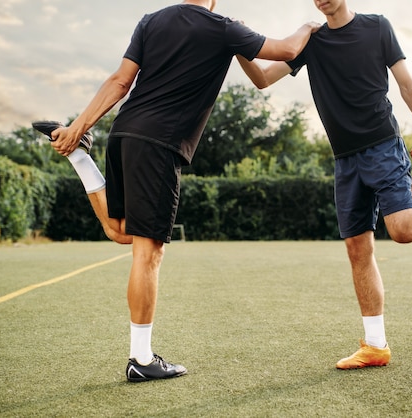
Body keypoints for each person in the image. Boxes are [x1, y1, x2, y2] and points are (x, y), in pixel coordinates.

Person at [35, 0, 320, 382]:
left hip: (123, 135)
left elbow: (121, 82)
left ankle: (81, 160)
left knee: (120, 232)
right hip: (159, 144)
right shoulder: (221, 26)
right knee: (149, 253)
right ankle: (141, 359)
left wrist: (77, 127)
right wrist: (309, 27)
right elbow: (286, 50)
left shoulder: (153, 20)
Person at [237, 0, 412, 370]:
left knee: (405, 231)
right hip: (344, 160)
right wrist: (237, 43)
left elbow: (406, 85)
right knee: (357, 249)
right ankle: (375, 346)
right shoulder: (311, 44)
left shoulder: (377, 27)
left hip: (383, 145)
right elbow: (261, 79)